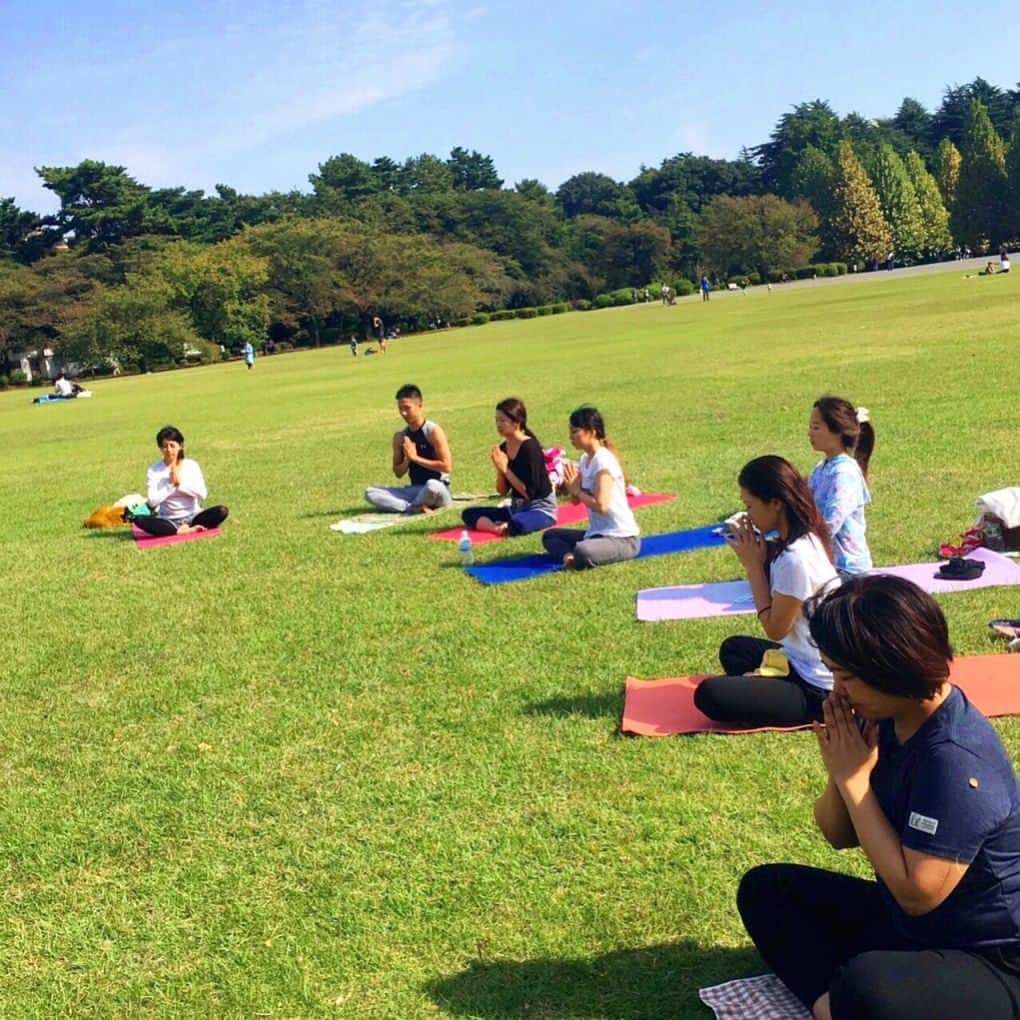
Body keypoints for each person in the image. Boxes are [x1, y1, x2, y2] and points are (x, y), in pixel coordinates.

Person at [737, 575, 1020, 1019]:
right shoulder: (887, 715)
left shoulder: (956, 760)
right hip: (914, 926)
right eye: (832, 672)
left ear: (894, 666)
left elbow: (916, 894)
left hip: (992, 956)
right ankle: (832, 1007)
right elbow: (836, 834)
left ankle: (848, 1001)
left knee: (868, 988)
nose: (837, 691)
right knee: (766, 890)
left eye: (846, 676)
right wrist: (841, 773)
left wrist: (855, 783)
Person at [693, 455, 839, 727]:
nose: (747, 514)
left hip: (819, 686)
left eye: (749, 505)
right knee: (734, 649)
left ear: (775, 503)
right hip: (801, 658)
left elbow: (775, 629)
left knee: (709, 694)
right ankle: (768, 685)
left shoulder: (796, 557)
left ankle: (800, 701)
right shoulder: (805, 536)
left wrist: (753, 567)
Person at [541, 406, 639, 570]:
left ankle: (576, 556)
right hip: (596, 534)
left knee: (583, 550)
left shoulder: (603, 461)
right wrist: (572, 488)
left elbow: (602, 505)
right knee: (550, 536)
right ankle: (569, 557)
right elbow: (575, 500)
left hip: (622, 539)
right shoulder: (585, 458)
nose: (570, 436)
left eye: (575, 431)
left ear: (592, 432)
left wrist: (577, 491)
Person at [461, 398, 557, 536]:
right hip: (516, 508)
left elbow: (528, 494)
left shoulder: (530, 448)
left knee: (518, 523)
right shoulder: (503, 448)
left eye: (502, 421)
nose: (498, 425)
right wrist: (500, 471)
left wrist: (505, 468)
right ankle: (498, 529)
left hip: (539, 509)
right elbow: (502, 491)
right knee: (469, 514)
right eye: (496, 420)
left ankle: (508, 526)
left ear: (517, 422)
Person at [807, 396, 874, 575]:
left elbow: (830, 523)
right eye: (810, 427)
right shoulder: (821, 468)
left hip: (847, 570)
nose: (810, 433)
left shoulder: (844, 473)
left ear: (837, 431)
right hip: (827, 565)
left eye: (816, 427)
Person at [364, 384, 452, 513]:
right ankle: (412, 507)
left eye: (407, 408)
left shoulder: (432, 431)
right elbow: (398, 473)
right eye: (400, 408)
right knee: (370, 492)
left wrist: (415, 458)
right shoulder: (400, 437)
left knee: (432, 485)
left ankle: (411, 506)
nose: (403, 413)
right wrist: (406, 459)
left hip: (438, 489)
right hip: (414, 490)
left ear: (420, 406)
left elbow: (446, 466)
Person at [134, 425, 229, 536]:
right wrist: (170, 485)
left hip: (193, 516)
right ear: (160, 448)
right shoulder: (154, 469)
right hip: (168, 520)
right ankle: (180, 530)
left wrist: (180, 484)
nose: (169, 450)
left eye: (172, 445)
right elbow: (152, 502)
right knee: (138, 519)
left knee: (222, 511)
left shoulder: (191, 465)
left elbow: (203, 494)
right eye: (165, 446)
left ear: (180, 446)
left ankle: (188, 526)